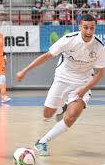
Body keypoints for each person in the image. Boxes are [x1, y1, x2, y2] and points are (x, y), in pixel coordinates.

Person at [16, 14, 105, 156]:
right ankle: (60, 108)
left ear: (95, 28)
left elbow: (99, 73)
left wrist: (85, 89)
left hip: (82, 83)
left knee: (72, 116)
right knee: (47, 114)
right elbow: (46, 56)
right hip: (62, 79)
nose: (89, 31)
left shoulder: (99, 46)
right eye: (85, 28)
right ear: (80, 27)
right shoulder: (69, 40)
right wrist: (25, 71)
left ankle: (42, 141)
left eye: (92, 28)